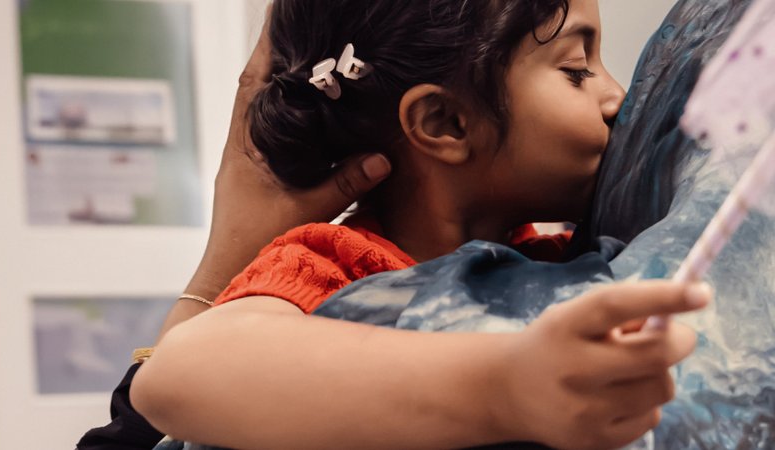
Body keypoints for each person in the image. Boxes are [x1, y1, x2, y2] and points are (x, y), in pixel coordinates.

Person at [129, 1, 713, 449]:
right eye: (577, 70)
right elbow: (177, 374)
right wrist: (504, 384)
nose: (618, 97)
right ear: (444, 123)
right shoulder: (338, 263)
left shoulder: (567, 256)